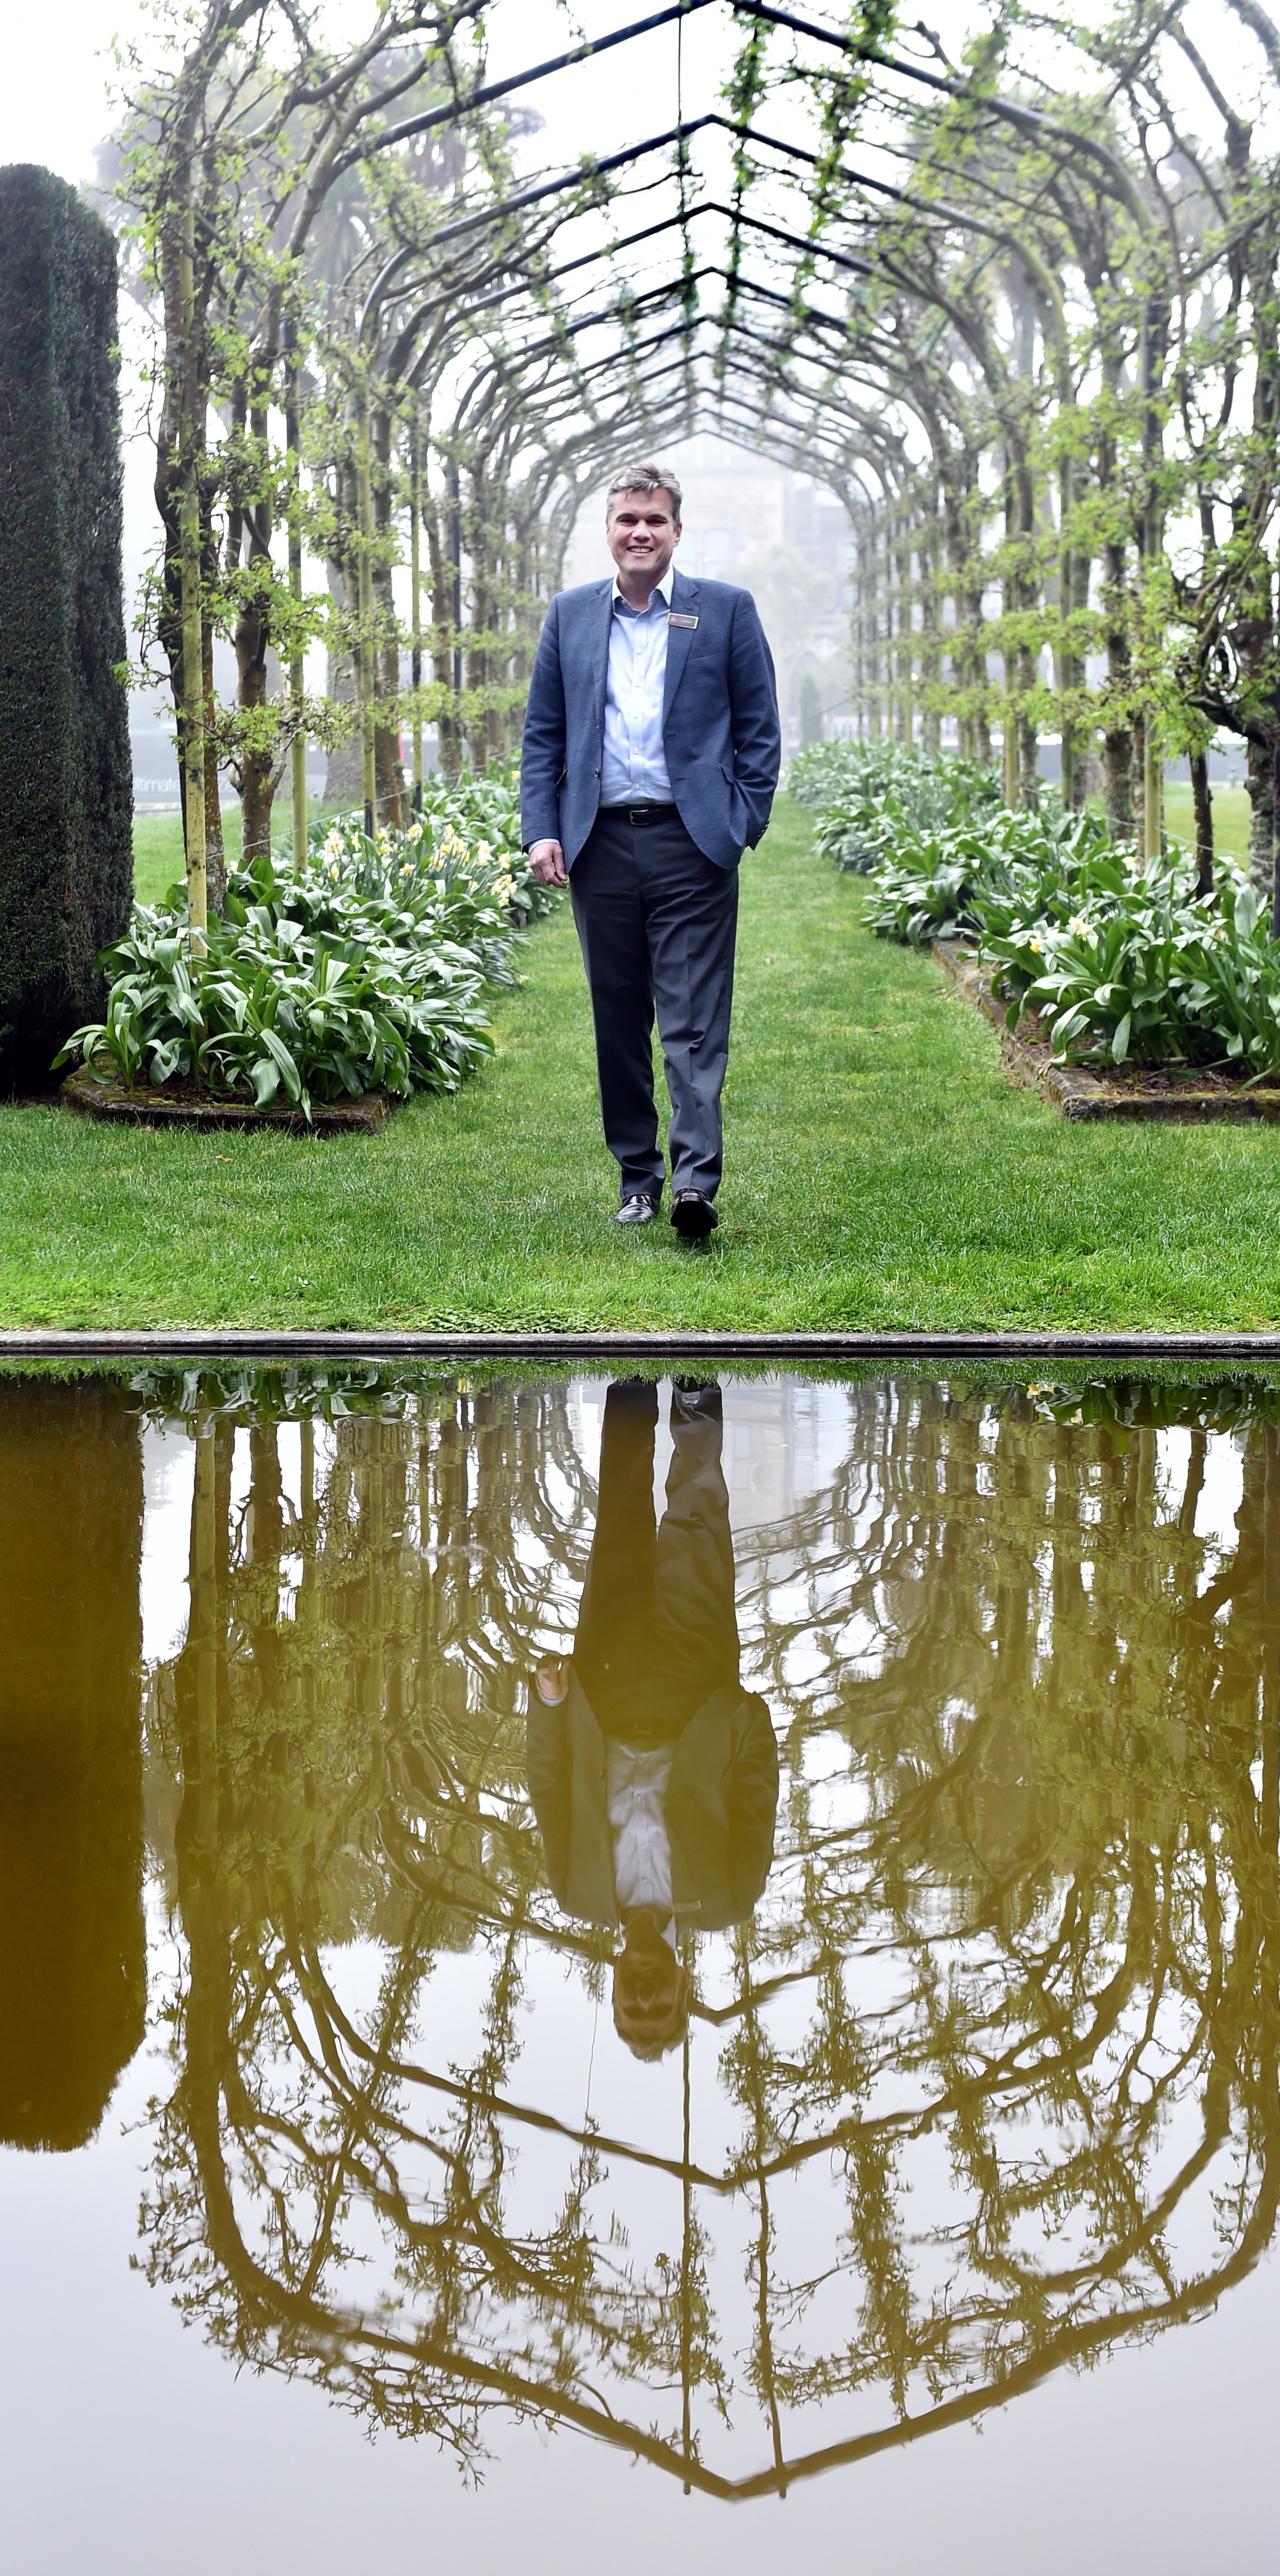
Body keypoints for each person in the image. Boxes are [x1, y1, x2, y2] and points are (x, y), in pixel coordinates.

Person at [520, 462, 781, 1240]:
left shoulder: (724, 612)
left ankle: (696, 1180)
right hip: (598, 848)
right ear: (609, 530)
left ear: (676, 531)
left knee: (694, 1019)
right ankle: (639, 1176)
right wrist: (542, 826)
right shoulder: (569, 617)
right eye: (628, 518)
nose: (641, 531)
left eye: (655, 520)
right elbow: (544, 733)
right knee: (618, 1017)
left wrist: (741, 824)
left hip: (691, 845)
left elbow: (759, 730)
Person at [526, 1378, 779, 2059]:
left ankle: (631, 1383)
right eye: (658, 2010)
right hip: (692, 1684)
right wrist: (744, 1719)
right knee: (697, 1521)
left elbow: (550, 1788)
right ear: (680, 1985)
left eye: (629, 2011)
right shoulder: (728, 1900)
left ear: (613, 1991)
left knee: (619, 1522)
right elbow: (756, 1791)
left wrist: (551, 1706)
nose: (642, 1999)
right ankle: (695, 1389)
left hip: (603, 1684)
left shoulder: (576, 1893)